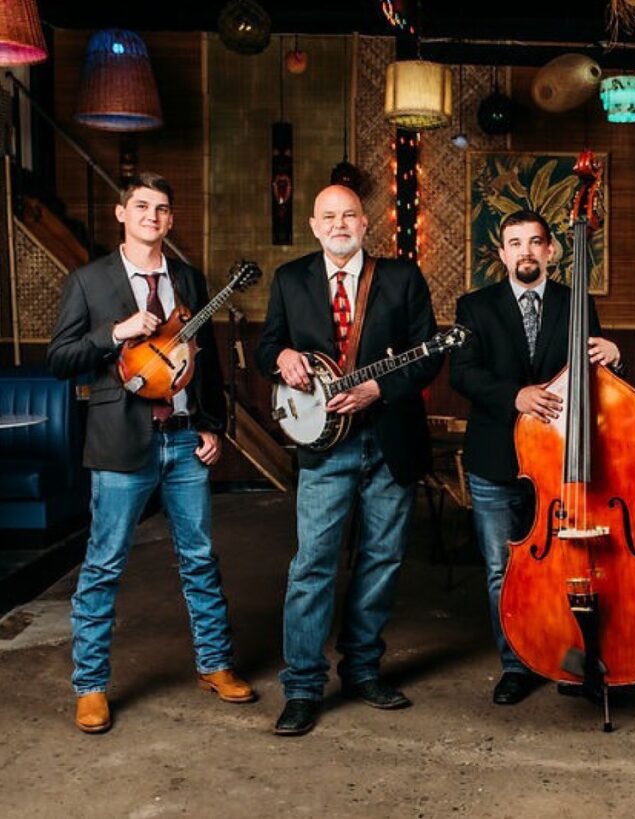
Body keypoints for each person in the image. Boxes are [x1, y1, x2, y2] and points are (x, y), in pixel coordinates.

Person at [47, 172, 253, 734]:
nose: (151, 216)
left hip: (184, 439)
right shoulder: (88, 281)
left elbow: (204, 361)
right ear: (122, 213)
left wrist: (211, 426)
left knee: (201, 559)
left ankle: (214, 664)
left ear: (170, 219)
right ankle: (90, 685)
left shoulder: (188, 279)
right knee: (104, 565)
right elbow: (60, 358)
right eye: (141, 206)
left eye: (161, 208)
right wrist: (114, 333)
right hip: (119, 442)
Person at [256, 184, 441, 736]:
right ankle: (303, 688)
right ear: (315, 226)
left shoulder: (402, 278)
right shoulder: (290, 279)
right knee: (312, 565)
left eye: (349, 215)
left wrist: (378, 389)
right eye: (329, 216)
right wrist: (282, 356)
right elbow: (266, 348)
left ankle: (362, 671)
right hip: (323, 447)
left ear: (365, 224)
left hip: (390, 440)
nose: (339, 224)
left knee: (381, 559)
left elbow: (428, 355)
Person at [449, 210, 621, 706]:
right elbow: (462, 373)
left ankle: (567, 657)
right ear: (502, 254)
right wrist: (514, 396)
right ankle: (516, 664)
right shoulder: (475, 306)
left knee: (564, 564)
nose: (525, 251)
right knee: (502, 570)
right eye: (514, 243)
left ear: (550, 250)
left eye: (534, 242)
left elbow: (596, 378)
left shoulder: (576, 301)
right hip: (497, 459)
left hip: (560, 461)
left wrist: (615, 355)